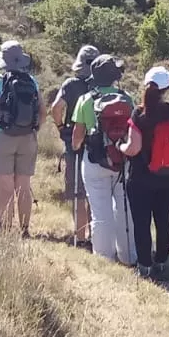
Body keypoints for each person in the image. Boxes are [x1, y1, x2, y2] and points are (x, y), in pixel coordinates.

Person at [119, 66, 169, 280]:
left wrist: (120, 147)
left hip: (141, 179)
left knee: (142, 222)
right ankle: (161, 262)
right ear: (167, 88)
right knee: (164, 219)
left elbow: (133, 148)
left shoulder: (139, 114)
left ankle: (144, 267)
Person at [72, 55, 135, 265]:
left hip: (95, 160)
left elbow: (77, 138)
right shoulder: (127, 98)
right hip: (122, 160)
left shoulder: (86, 100)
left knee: (100, 212)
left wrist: (75, 147)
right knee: (124, 209)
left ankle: (104, 261)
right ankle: (128, 256)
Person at [0, 41, 41, 238]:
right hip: (28, 137)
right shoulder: (32, 82)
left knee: (5, 185)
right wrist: (33, 128)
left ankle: (6, 228)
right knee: (24, 185)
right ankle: (25, 228)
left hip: (3, 136)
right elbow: (42, 111)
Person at [49, 45, 99, 245]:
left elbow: (56, 108)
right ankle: (97, 235)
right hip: (98, 144)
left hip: (75, 142)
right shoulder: (102, 86)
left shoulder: (70, 84)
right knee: (96, 192)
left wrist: (61, 127)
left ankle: (80, 237)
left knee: (78, 191)